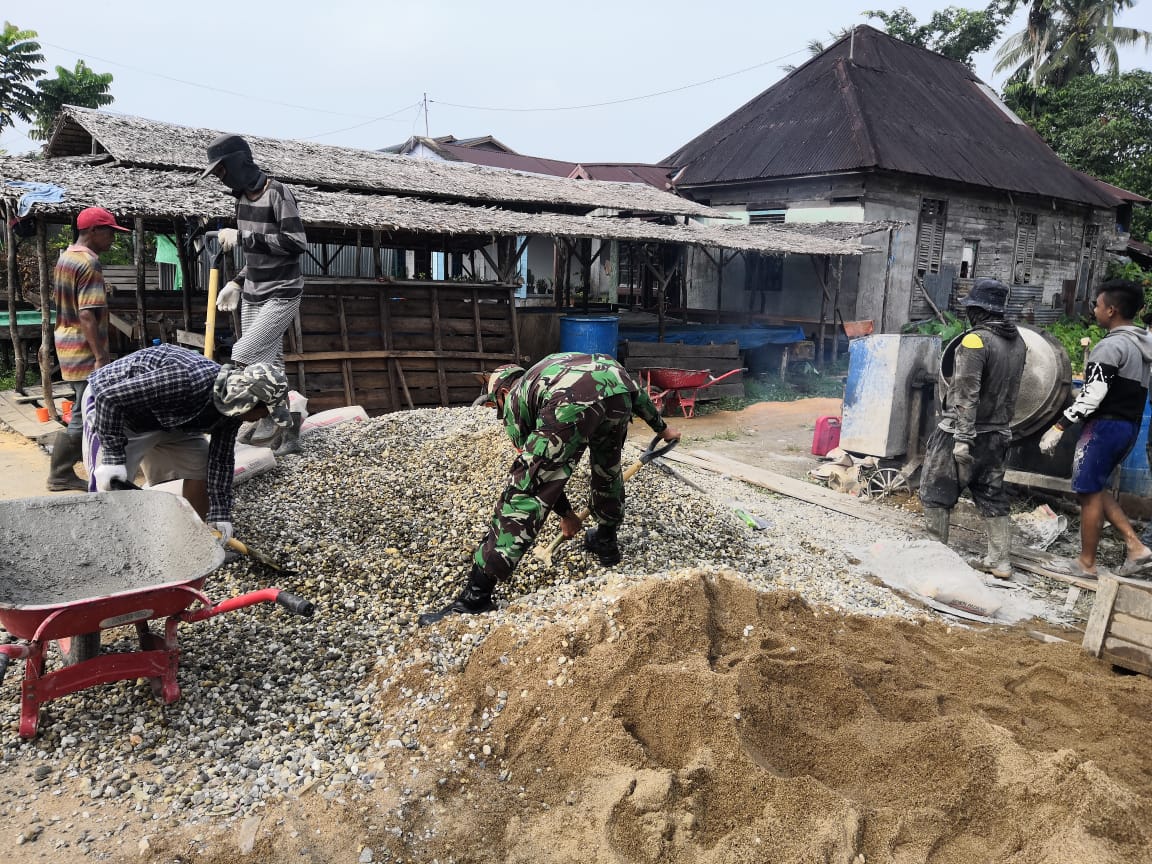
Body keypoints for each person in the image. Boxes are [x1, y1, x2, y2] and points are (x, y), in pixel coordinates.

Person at [419, 352, 681, 626]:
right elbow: (630, 387)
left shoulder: (516, 398)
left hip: (570, 402)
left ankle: (474, 598)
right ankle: (606, 543)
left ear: (504, 391)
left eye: (495, 403)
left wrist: (567, 516)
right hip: (618, 391)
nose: (499, 411)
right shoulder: (550, 368)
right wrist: (662, 429)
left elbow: (538, 479)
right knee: (607, 470)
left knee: (522, 494)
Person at [81, 344, 291, 541]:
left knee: (201, 468)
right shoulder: (186, 380)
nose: (260, 420)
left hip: (175, 417)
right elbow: (109, 399)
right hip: (119, 410)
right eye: (264, 413)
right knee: (108, 486)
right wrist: (113, 457)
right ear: (249, 401)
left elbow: (220, 461)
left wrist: (220, 512)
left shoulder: (232, 410)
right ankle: (108, 547)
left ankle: (195, 538)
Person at [199, 133, 308, 455]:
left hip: (283, 291)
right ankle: (288, 429)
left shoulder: (278, 193)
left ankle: (230, 420)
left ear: (240, 163)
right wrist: (236, 281)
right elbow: (256, 254)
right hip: (252, 291)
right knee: (268, 365)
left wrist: (245, 238)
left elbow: (296, 243)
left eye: (222, 170)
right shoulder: (242, 199)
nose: (221, 177)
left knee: (243, 354)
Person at [1038, 279, 1152, 578]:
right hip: (1127, 426)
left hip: (1103, 427)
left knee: (1087, 493)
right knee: (1097, 487)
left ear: (1111, 310)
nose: (1095, 310)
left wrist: (1060, 426)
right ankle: (1136, 547)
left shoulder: (1111, 345)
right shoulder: (1140, 346)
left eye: (1098, 305)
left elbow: (1094, 395)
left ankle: (1086, 563)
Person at [919, 278, 1027, 578]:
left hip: (962, 432)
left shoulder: (975, 341)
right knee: (991, 494)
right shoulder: (1018, 341)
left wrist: (963, 440)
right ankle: (1000, 561)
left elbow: (966, 393)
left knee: (935, 490)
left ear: (977, 311)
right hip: (998, 433)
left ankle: (935, 555)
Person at [47, 207, 129, 491]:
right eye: (109, 232)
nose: (112, 239)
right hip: (83, 349)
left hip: (66, 344)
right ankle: (59, 473)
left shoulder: (66, 257)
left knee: (83, 409)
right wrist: (101, 356)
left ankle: (63, 471)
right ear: (93, 231)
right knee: (87, 413)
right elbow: (86, 314)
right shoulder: (89, 262)